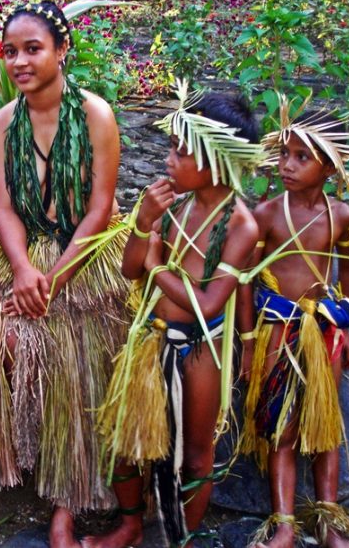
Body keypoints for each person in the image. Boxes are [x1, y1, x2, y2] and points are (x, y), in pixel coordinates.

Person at [0, 0, 130, 548]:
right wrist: (23, 269)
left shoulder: (95, 115)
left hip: (84, 251)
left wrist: (56, 278)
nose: (19, 61)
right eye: (10, 52)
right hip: (21, 250)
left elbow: (99, 208)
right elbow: (3, 206)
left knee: (77, 353)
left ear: (62, 50)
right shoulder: (4, 123)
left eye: (33, 49)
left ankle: (67, 501)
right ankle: (6, 460)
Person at [93, 81, 263, 548]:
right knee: (125, 440)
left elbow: (207, 303)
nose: (168, 160)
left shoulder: (241, 224)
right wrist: (143, 223)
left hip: (201, 346)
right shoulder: (173, 206)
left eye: (179, 151)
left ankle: (178, 539)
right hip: (151, 338)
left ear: (215, 160)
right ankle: (129, 527)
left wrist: (154, 264)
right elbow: (131, 270)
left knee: (197, 457)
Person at [240, 97, 349, 548]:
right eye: (284, 154)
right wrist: (249, 343)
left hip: (324, 334)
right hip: (278, 332)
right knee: (283, 428)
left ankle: (331, 522)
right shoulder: (268, 214)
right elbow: (244, 281)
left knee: (324, 427)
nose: (287, 165)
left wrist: (345, 325)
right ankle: (285, 524)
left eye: (301, 157)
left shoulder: (342, 217)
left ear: (330, 167)